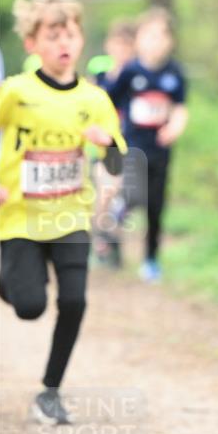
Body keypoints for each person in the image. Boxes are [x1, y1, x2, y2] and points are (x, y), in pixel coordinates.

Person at [0, 0, 127, 424]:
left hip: (71, 215)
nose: (63, 44)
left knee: (74, 301)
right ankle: (8, 281)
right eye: (52, 37)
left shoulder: (94, 99)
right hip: (19, 217)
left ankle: (50, 392)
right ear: (32, 43)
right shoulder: (15, 92)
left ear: (81, 39)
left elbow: (117, 159)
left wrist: (107, 144)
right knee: (29, 305)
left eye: (69, 34)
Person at [106, 7, 188, 282]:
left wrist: (175, 126)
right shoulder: (130, 71)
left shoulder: (174, 72)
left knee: (155, 206)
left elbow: (180, 107)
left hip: (161, 149)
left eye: (162, 35)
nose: (156, 42)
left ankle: (151, 259)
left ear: (171, 41)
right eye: (150, 35)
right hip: (132, 145)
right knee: (133, 192)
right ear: (138, 40)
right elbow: (108, 101)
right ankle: (121, 207)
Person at [87, 20, 136, 268]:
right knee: (107, 190)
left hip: (132, 143)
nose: (121, 51)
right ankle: (101, 237)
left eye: (126, 46)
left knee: (125, 197)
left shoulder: (136, 74)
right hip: (106, 145)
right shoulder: (99, 72)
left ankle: (110, 239)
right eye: (117, 45)